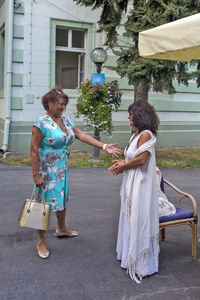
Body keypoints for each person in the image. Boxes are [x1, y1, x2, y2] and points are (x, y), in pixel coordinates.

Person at [30, 85, 121, 259]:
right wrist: (36, 175)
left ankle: (61, 228)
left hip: (61, 169)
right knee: (44, 204)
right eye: (60, 104)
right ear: (49, 103)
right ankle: (41, 240)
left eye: (64, 104)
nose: (62, 107)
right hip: (47, 171)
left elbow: (80, 135)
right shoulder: (40, 123)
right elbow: (34, 150)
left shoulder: (64, 121)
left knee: (62, 198)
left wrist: (103, 146)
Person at [108, 100, 160, 283]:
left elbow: (142, 159)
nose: (128, 116)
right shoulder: (136, 134)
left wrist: (124, 165)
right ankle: (129, 256)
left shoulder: (145, 134)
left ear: (139, 115)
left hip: (141, 185)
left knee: (139, 219)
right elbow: (132, 156)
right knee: (130, 219)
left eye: (131, 113)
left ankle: (143, 265)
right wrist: (121, 161)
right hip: (131, 183)